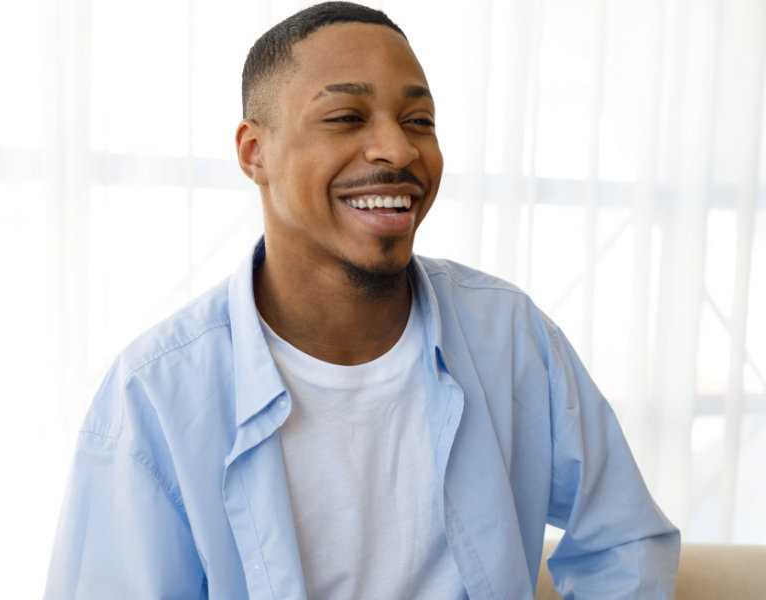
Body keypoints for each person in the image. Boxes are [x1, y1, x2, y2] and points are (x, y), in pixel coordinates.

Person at [42, 3, 679, 599]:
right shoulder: (153, 394)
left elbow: (624, 540)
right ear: (253, 152)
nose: (399, 151)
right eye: (347, 117)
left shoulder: (509, 335)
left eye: (418, 122)